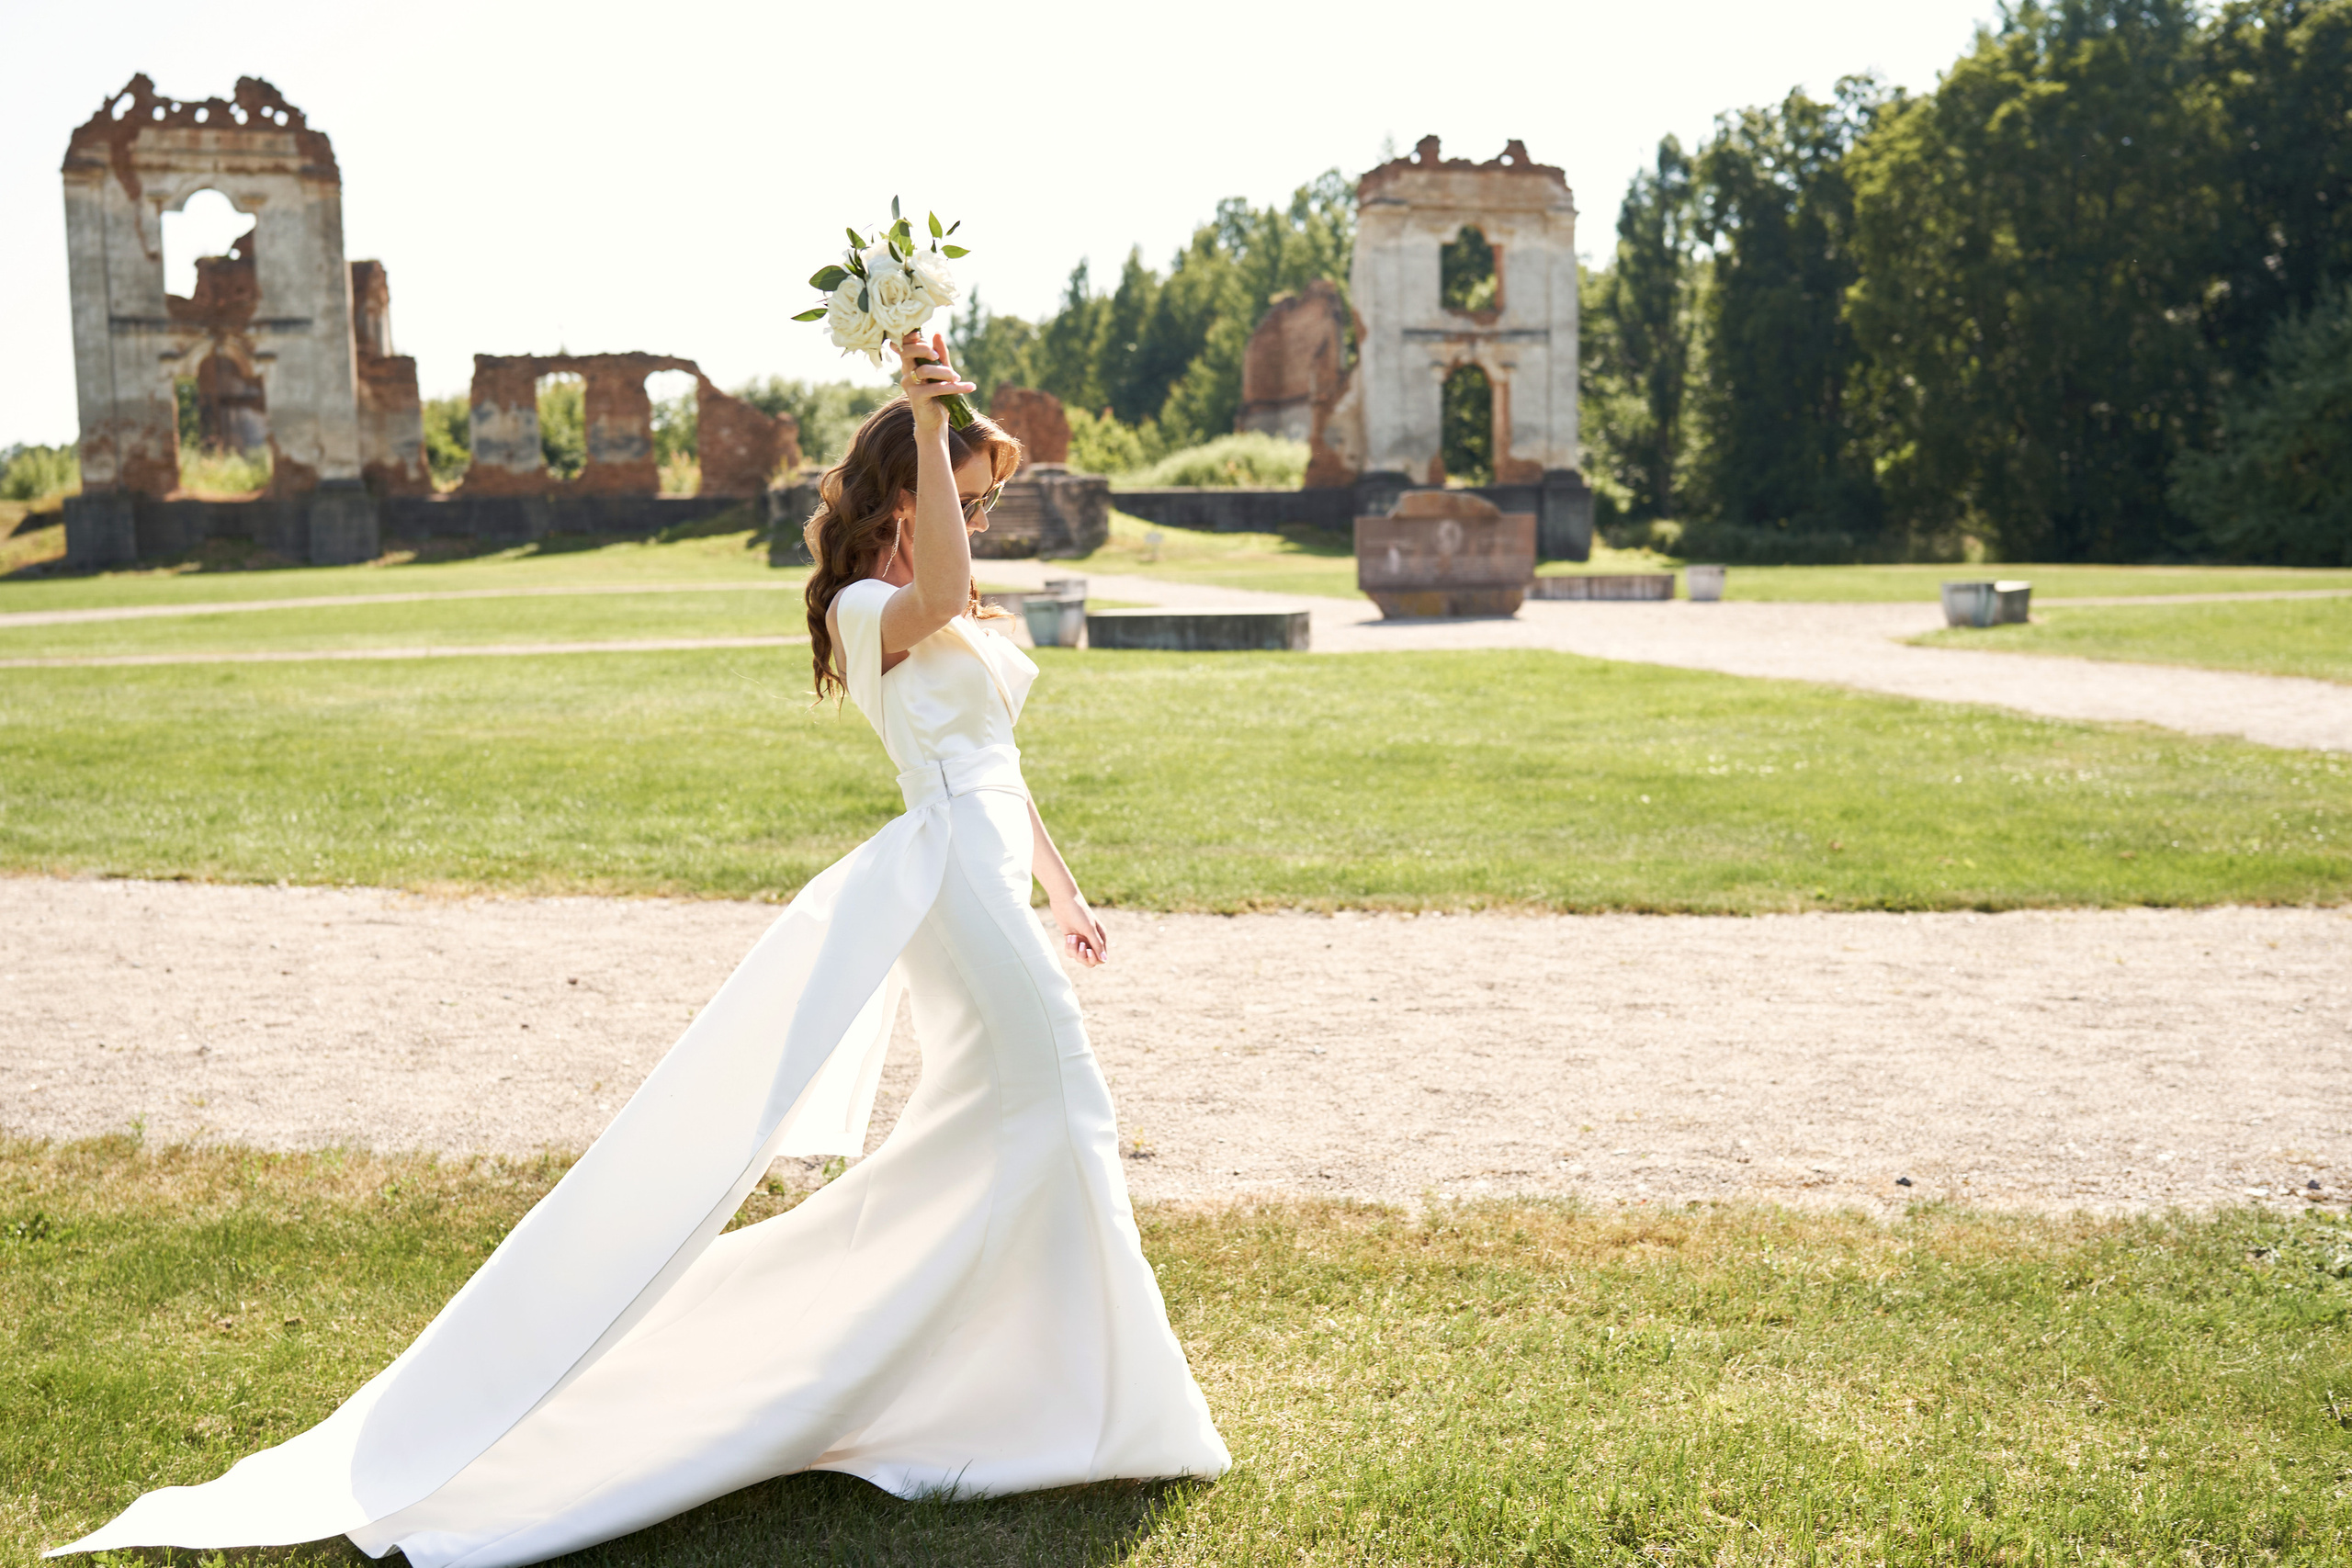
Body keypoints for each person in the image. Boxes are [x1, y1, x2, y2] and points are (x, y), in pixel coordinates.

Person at [53, 331, 1229, 1568]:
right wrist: (935, 428)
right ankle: (1100, 1405)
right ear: (903, 491)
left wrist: (1064, 889)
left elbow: (1001, 763)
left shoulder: (958, 605)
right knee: (1065, 1103)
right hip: (950, 888)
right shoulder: (866, 610)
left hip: (995, 876)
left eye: (982, 505)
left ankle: (1022, 1386)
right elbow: (936, 607)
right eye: (967, 501)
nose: (977, 525)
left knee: (1004, 1131)